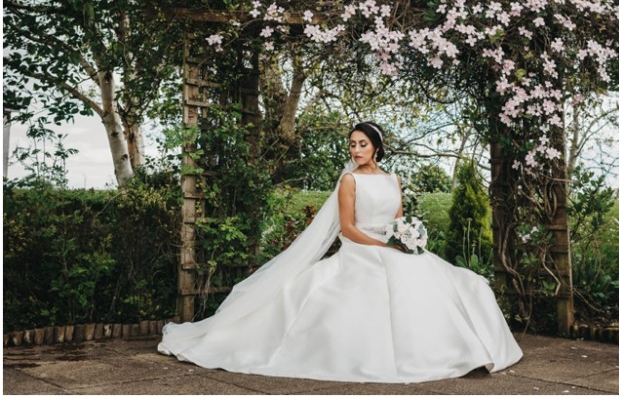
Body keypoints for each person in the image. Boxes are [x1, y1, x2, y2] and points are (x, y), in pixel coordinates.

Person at [158, 121, 523, 383]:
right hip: (361, 249)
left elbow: (398, 219)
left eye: (362, 143)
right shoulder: (349, 180)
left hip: (391, 246)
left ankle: (464, 351)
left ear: (376, 146)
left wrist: (404, 239)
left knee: (462, 283)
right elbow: (348, 227)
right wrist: (383, 246)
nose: (356, 149)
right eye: (351, 144)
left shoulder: (393, 179)